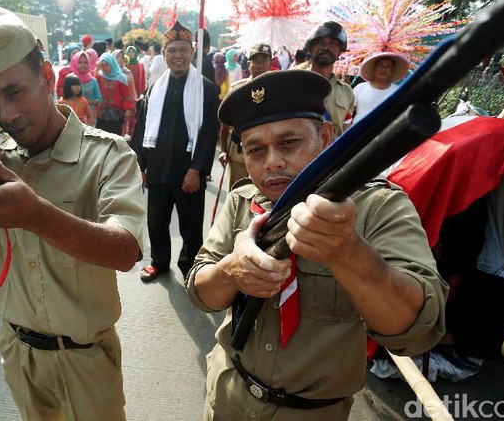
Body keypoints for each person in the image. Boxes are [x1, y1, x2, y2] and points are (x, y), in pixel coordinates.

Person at [186, 70, 447, 420]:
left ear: (325, 137)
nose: (272, 162)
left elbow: (417, 332)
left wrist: (346, 252)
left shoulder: (377, 206)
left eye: (289, 143)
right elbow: (202, 294)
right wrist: (231, 271)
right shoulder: (242, 199)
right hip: (228, 394)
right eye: (255, 150)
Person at [0, 3, 144, 419]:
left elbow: (126, 251)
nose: (6, 114)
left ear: (48, 77)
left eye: (14, 91)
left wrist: (37, 215)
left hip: (85, 360)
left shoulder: (108, 155)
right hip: (15, 350)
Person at [131, 21, 220, 282]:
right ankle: (159, 262)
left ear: (192, 52)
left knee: (191, 226)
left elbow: (208, 134)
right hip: (158, 168)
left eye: (183, 50)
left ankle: (191, 267)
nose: (178, 56)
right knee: (156, 223)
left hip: (188, 171)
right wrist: (141, 166)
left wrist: (197, 170)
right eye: (172, 51)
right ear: (164, 55)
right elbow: (141, 129)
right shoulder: (154, 90)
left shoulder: (206, 88)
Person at [218, 43, 273, 191]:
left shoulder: (277, 89)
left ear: (271, 63)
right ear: (248, 64)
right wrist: (223, 149)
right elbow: (225, 124)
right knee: (238, 196)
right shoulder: (237, 89)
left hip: (270, 156)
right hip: (240, 156)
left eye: (264, 60)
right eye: (256, 61)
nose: (260, 65)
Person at [296, 21, 354, 137]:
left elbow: (346, 131)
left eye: (333, 44)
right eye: (319, 43)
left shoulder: (346, 92)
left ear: (339, 52)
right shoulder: (294, 84)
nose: (326, 47)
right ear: (309, 48)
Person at [352, 52, 409, 125]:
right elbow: (349, 113)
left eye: (388, 66)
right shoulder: (360, 88)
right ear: (374, 68)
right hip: (358, 133)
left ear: (392, 70)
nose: (383, 69)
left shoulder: (398, 91)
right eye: (380, 65)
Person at [102, 50, 136, 137]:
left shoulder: (122, 77)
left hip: (118, 115)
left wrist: (129, 109)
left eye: (107, 65)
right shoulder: (100, 77)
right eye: (103, 65)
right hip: (102, 115)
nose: (105, 68)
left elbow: (127, 95)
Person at [70, 50, 102, 122]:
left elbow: (99, 99)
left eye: (85, 63)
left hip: (90, 117)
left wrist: (88, 102)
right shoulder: (70, 79)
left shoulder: (93, 80)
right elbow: (65, 98)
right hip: (74, 117)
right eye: (80, 62)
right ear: (75, 63)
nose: (83, 65)